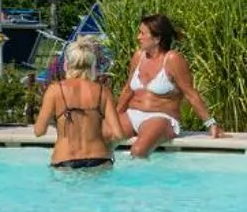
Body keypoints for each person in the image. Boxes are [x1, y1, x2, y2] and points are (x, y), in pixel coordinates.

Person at [119, 13, 221, 158]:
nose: (138, 37)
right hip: (132, 114)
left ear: (157, 38)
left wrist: (210, 123)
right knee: (99, 139)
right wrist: (115, 116)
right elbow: (128, 90)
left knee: (138, 151)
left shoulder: (173, 59)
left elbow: (190, 93)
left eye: (142, 33)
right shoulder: (138, 56)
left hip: (161, 117)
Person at [32, 35, 124, 169]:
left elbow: (39, 131)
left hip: (65, 160)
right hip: (99, 160)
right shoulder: (103, 91)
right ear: (92, 65)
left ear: (67, 64)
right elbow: (119, 134)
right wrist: (108, 146)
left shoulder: (55, 90)